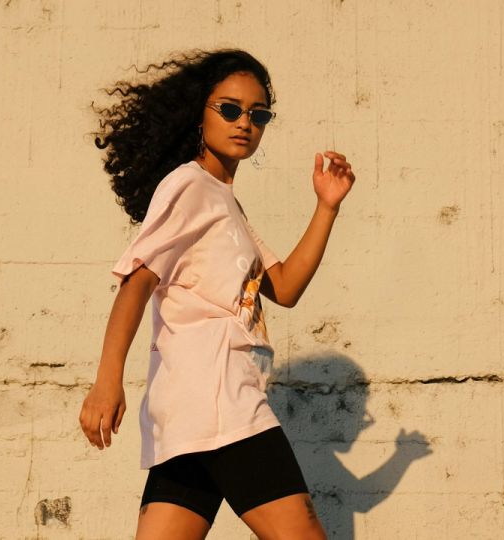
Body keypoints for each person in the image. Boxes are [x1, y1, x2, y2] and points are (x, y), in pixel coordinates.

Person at [78, 48, 355, 540]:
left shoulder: (225, 203)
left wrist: (326, 206)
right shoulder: (189, 186)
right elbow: (136, 281)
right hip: (222, 402)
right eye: (229, 109)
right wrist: (107, 381)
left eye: (258, 113)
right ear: (198, 113)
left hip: (190, 414)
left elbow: (285, 287)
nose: (244, 122)